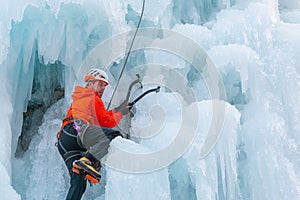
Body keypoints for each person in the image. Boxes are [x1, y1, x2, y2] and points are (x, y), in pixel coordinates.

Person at [57, 68, 131, 200]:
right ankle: (88, 159)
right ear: (90, 83)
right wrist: (122, 112)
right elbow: (106, 121)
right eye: (100, 84)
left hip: (65, 141)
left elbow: (102, 118)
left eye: (104, 86)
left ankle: (85, 162)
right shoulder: (92, 97)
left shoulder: (82, 97)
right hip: (76, 130)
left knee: (78, 181)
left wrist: (119, 109)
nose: (103, 88)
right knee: (112, 135)